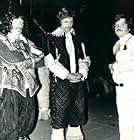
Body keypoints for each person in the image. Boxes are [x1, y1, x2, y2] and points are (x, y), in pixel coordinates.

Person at [44, 7, 91, 140]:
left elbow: (83, 58)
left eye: (71, 21)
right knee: (60, 110)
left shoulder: (77, 38)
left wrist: (81, 73)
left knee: (77, 108)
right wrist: (67, 75)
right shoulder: (51, 38)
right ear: (59, 22)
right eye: (66, 22)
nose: (69, 25)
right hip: (61, 81)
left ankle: (75, 135)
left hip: (77, 80)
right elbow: (51, 62)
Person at [0, 8, 43, 140]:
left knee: (27, 120)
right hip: (10, 87)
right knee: (9, 123)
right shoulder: (2, 40)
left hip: (27, 86)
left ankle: (22, 137)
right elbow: (14, 59)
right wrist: (30, 56)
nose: (20, 26)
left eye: (22, 23)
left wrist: (26, 47)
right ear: (8, 23)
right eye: (16, 22)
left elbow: (41, 56)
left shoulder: (23, 41)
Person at [109, 14, 134, 140]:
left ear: (129, 27)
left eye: (122, 24)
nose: (118, 27)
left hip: (131, 88)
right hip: (121, 89)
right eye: (116, 25)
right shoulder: (118, 44)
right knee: (124, 125)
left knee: (128, 124)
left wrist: (115, 67)